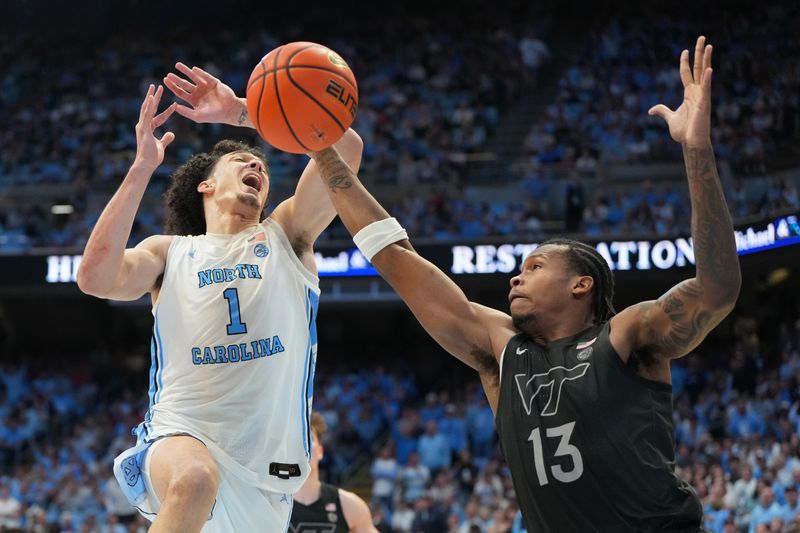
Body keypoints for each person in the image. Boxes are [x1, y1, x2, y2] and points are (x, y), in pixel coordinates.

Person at [308, 36, 740, 532]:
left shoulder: (626, 337)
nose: (517, 275)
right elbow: (397, 259)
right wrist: (319, 147)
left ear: (582, 285)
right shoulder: (501, 350)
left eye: (535, 266)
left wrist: (697, 152)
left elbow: (717, 289)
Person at [77, 62, 363, 533]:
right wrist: (141, 168)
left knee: (201, 484)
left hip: (267, 476)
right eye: (241, 162)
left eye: (263, 167)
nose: (256, 165)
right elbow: (95, 278)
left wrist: (243, 113)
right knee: (194, 478)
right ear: (205, 185)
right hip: (180, 438)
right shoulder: (169, 253)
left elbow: (347, 149)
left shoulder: (287, 236)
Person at [290, 412, 378, 533]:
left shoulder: (349, 506)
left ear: (321, 451)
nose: (303, 446)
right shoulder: (269, 504)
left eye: (308, 438)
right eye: (297, 440)